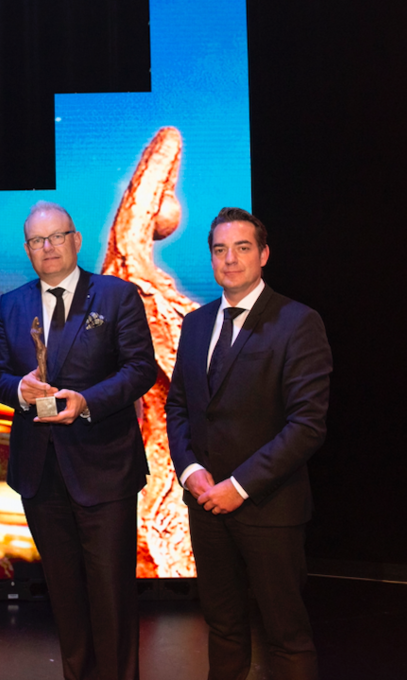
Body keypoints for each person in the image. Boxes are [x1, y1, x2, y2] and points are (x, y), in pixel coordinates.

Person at [0, 201, 157, 680]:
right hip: (40, 475)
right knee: (63, 596)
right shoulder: (10, 304)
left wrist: (86, 401)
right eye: (37, 241)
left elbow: (140, 368)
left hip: (104, 471)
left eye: (57, 237)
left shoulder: (117, 295)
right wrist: (17, 390)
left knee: (112, 595)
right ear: (26, 250)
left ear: (76, 240)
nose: (48, 248)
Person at [166, 208, 332, 680]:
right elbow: (178, 407)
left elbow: (307, 425)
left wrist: (238, 486)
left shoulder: (298, 321)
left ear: (263, 254)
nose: (230, 259)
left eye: (242, 248)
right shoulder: (195, 324)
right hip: (205, 506)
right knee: (222, 628)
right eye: (220, 250)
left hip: (269, 508)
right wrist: (190, 471)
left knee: (287, 636)